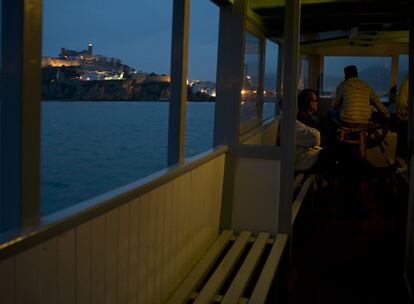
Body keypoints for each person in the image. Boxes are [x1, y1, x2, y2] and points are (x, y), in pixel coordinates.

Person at [327, 65, 390, 146]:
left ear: (345, 75)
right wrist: (387, 116)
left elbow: (335, 106)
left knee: (330, 112)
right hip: (364, 123)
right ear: (357, 75)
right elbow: (378, 104)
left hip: (347, 122)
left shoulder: (343, 85)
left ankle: (331, 142)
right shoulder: (366, 86)